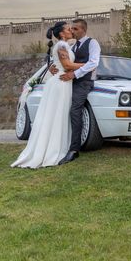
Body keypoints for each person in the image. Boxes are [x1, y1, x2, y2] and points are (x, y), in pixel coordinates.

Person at [11, 22, 84, 169]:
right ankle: (52, 150)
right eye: (68, 29)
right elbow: (67, 65)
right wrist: (89, 64)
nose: (71, 30)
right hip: (60, 84)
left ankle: (56, 146)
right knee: (57, 116)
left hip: (63, 83)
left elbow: (59, 65)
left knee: (59, 116)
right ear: (62, 34)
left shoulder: (64, 46)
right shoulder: (61, 46)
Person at [54, 18, 100, 165]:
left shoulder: (93, 43)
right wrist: (53, 67)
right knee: (62, 109)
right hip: (69, 82)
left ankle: (74, 149)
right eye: (71, 29)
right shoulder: (71, 46)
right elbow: (65, 63)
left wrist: (74, 74)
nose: (72, 31)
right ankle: (61, 143)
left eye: (75, 29)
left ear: (83, 30)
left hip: (84, 82)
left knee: (74, 110)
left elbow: (94, 63)